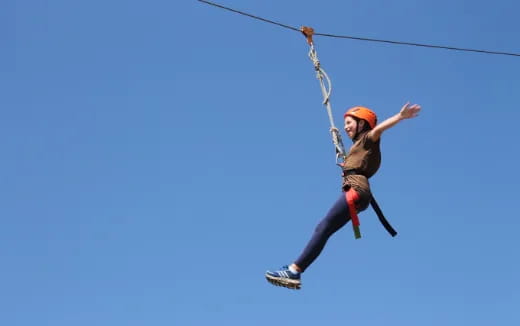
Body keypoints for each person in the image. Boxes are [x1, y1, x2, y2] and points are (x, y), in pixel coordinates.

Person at [265, 102, 421, 290]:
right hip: (357, 191)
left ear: (362, 124)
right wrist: (348, 168)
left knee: (324, 227)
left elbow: (379, 130)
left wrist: (400, 116)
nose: (345, 126)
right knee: (325, 228)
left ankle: (295, 269)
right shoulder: (359, 148)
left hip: (357, 190)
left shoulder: (367, 140)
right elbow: (361, 163)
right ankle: (296, 270)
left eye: (349, 122)